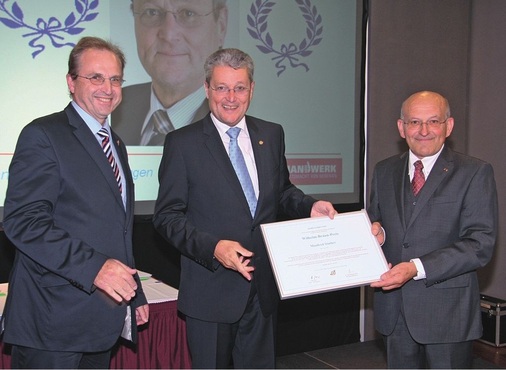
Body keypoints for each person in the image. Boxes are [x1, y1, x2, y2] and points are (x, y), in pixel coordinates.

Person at [152, 48, 337, 368]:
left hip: (262, 290)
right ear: (207, 88)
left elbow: (281, 192)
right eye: (221, 87)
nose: (230, 97)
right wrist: (213, 248)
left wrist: (310, 206)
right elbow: (167, 217)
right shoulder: (183, 143)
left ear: (252, 89)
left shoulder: (271, 134)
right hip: (211, 293)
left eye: (239, 87)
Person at [1, 36, 149, 368]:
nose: (107, 88)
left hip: (101, 317)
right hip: (52, 321)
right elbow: (23, 221)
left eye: (114, 79)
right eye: (95, 77)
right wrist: (94, 267)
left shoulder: (116, 144)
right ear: (71, 82)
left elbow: (117, 230)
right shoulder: (43, 135)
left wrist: (133, 291)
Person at [368, 91, 498, 368]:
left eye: (433, 122)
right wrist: (378, 234)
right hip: (395, 312)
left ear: (448, 126)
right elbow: (378, 222)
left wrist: (416, 267)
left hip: (447, 314)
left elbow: (480, 244)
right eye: (414, 122)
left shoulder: (474, 172)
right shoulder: (383, 170)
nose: (424, 131)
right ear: (401, 128)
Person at [112, 0, 228, 145]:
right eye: (151, 12)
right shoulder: (111, 108)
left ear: (221, 26)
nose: (169, 35)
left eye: (188, 14)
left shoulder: (234, 119)